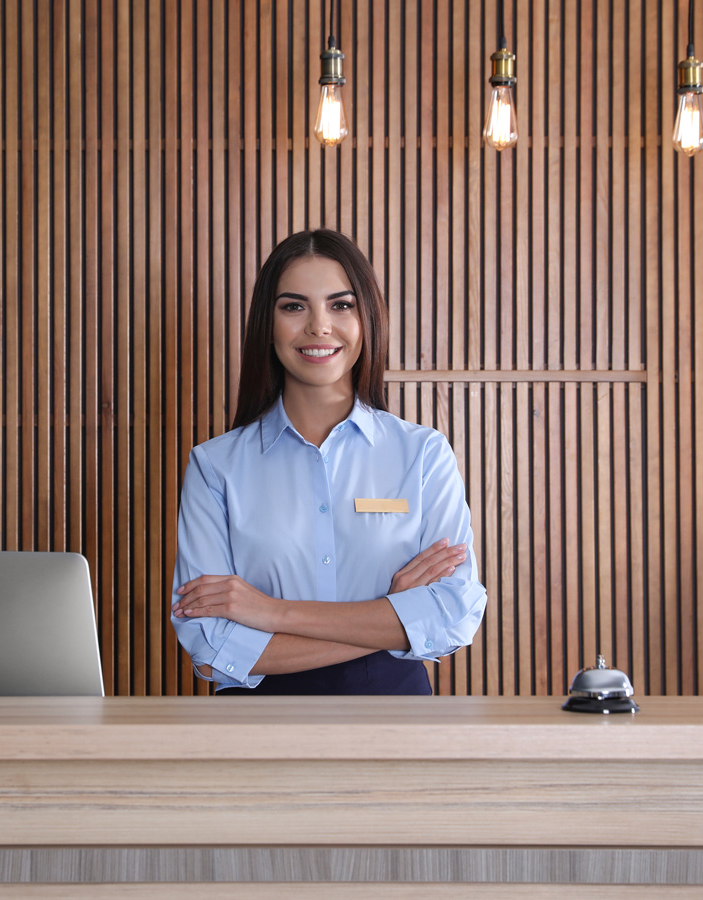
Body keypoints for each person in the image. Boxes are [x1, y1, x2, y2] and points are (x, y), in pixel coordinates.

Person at [170, 229, 487, 695]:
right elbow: (213, 646)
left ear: (367, 319)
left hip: (396, 719)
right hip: (255, 727)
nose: (319, 326)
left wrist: (272, 612)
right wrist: (391, 612)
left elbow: (452, 614)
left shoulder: (422, 454)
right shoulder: (214, 467)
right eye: (294, 306)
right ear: (267, 323)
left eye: (341, 305)